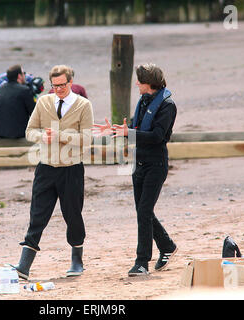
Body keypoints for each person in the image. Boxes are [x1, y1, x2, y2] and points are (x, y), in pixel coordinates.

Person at [93, 63, 178, 276]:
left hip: (156, 165)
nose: (136, 83)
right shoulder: (143, 99)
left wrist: (127, 134)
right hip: (137, 162)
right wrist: (114, 129)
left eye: (139, 80)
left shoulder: (168, 105)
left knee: (144, 212)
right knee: (143, 211)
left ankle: (142, 263)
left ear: (149, 83)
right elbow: (132, 128)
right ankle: (167, 247)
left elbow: (158, 136)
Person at [11, 65, 94, 279]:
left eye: (63, 85)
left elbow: (86, 139)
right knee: (37, 214)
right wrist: (42, 137)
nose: (59, 89)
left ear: (71, 82)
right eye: (55, 86)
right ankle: (24, 265)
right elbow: (29, 131)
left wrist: (61, 136)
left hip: (72, 170)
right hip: (45, 169)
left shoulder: (84, 105)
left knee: (73, 215)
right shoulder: (43, 102)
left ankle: (77, 261)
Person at [0, 65, 36, 139]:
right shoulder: (24, 90)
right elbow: (34, 112)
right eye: (24, 73)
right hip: (15, 133)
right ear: (19, 76)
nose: (25, 75)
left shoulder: (1, 89)